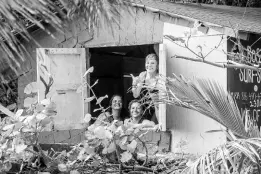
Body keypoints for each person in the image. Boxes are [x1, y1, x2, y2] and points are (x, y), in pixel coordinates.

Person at [131, 53, 159, 124]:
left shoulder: (159, 77)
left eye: (152, 63)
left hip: (157, 108)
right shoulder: (143, 75)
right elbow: (136, 95)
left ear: (157, 65)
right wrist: (134, 84)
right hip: (144, 109)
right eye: (147, 63)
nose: (149, 65)